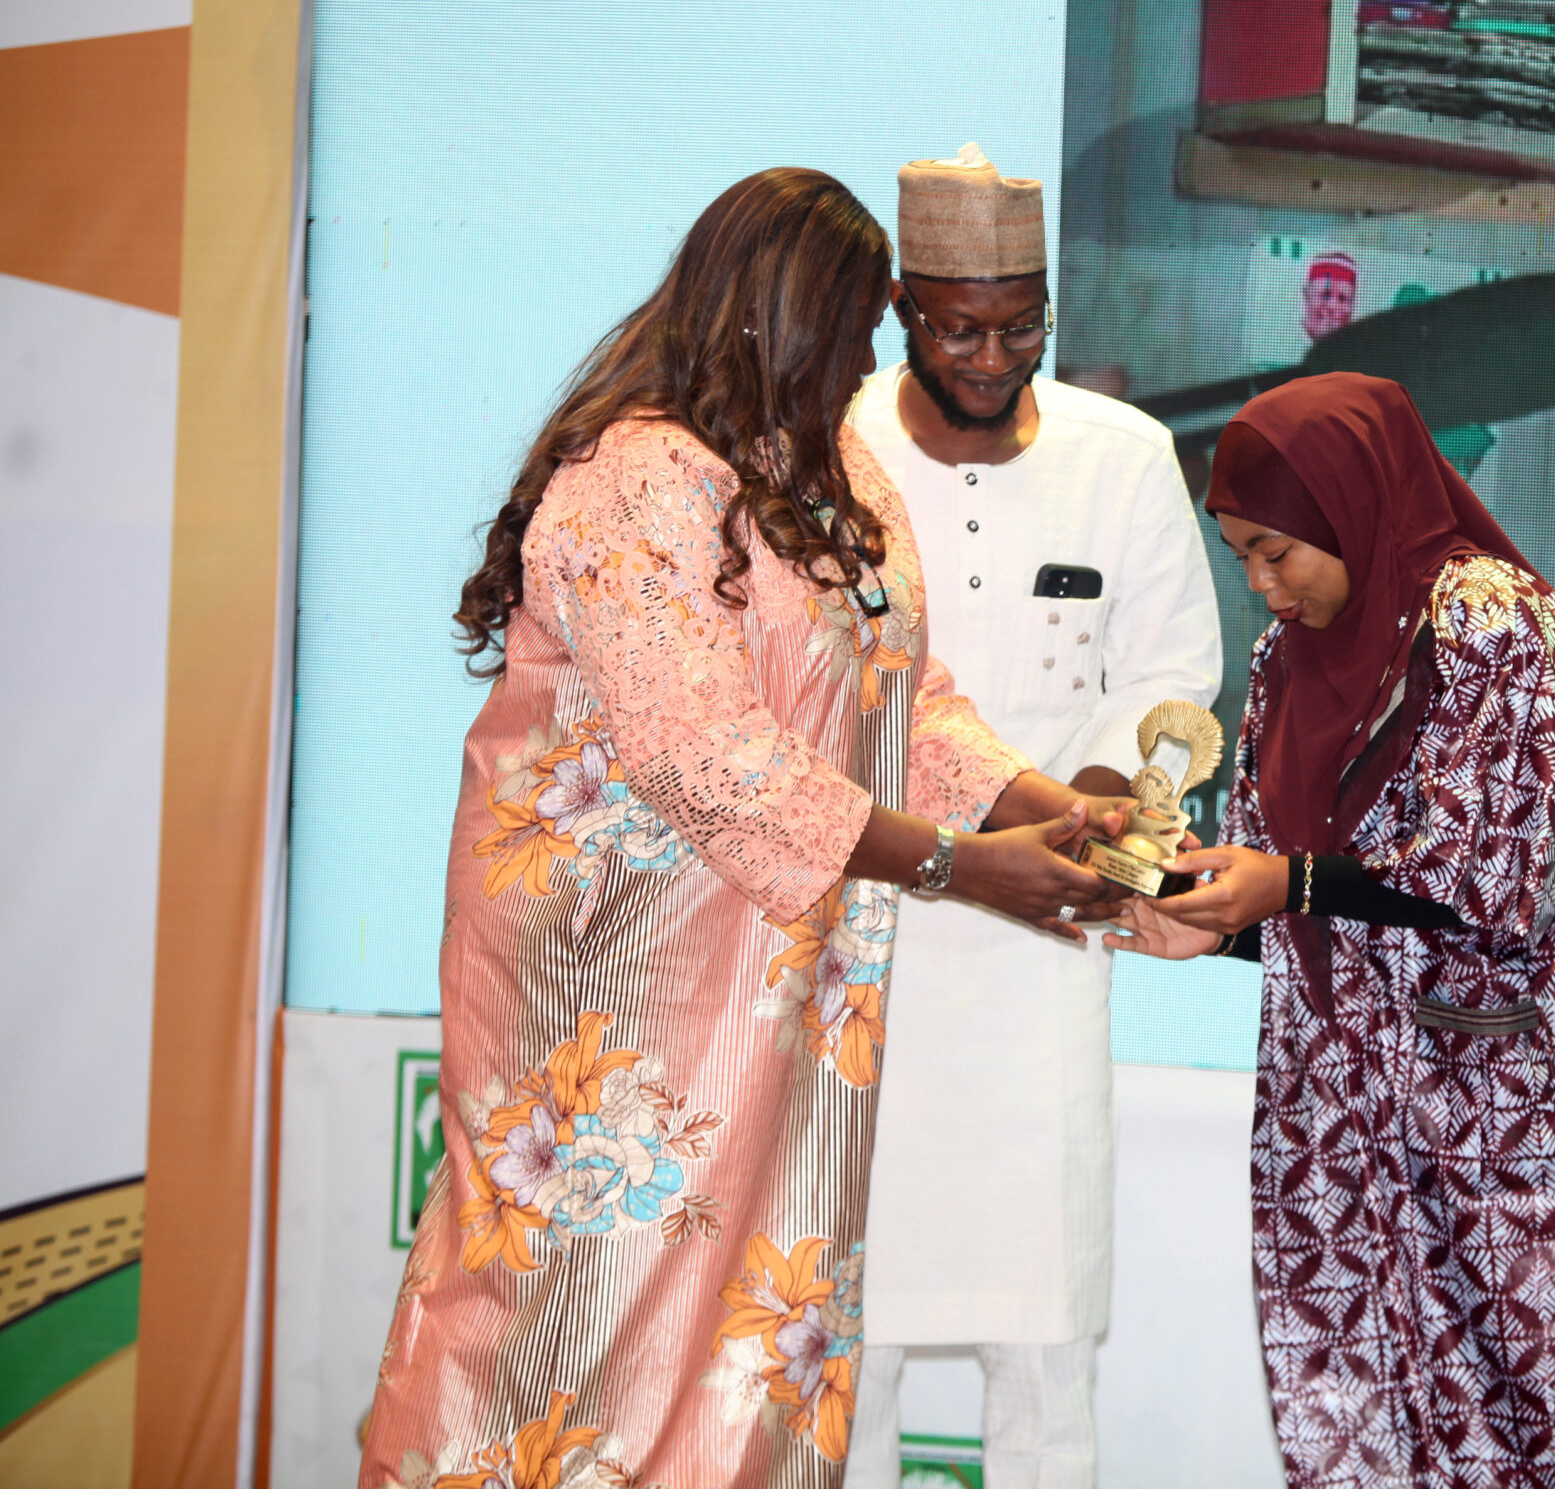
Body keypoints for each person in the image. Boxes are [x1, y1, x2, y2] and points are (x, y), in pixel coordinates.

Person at [361, 168, 1133, 1488]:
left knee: (755, 1320)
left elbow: (902, 697)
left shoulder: (831, 470)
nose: (866, 363)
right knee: (579, 1314)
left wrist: (1048, 808)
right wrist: (961, 866)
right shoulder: (633, 473)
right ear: (773, 314)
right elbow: (701, 752)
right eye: (850, 327)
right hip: (621, 990)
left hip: (775, 987)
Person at [1111, 372, 1555, 1488]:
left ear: (1349, 505)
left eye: (1278, 551)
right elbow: (1302, 889)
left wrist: (1285, 887)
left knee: (1535, 1417)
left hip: (1501, 1114)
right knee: (1358, 1426)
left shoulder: (1498, 626)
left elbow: (1498, 872)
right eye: (1241, 558)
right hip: (1341, 1118)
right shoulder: (1284, 660)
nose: (1261, 584)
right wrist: (1215, 923)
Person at [845, 145, 1221, 1489]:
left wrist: (1092, 835)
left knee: (1045, 1343)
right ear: (902, 306)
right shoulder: (835, 444)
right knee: (841, 1334)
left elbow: (1170, 679)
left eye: (1021, 325)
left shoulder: (1123, 455)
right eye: (960, 328)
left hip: (1044, 939)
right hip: (861, 929)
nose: (993, 356)